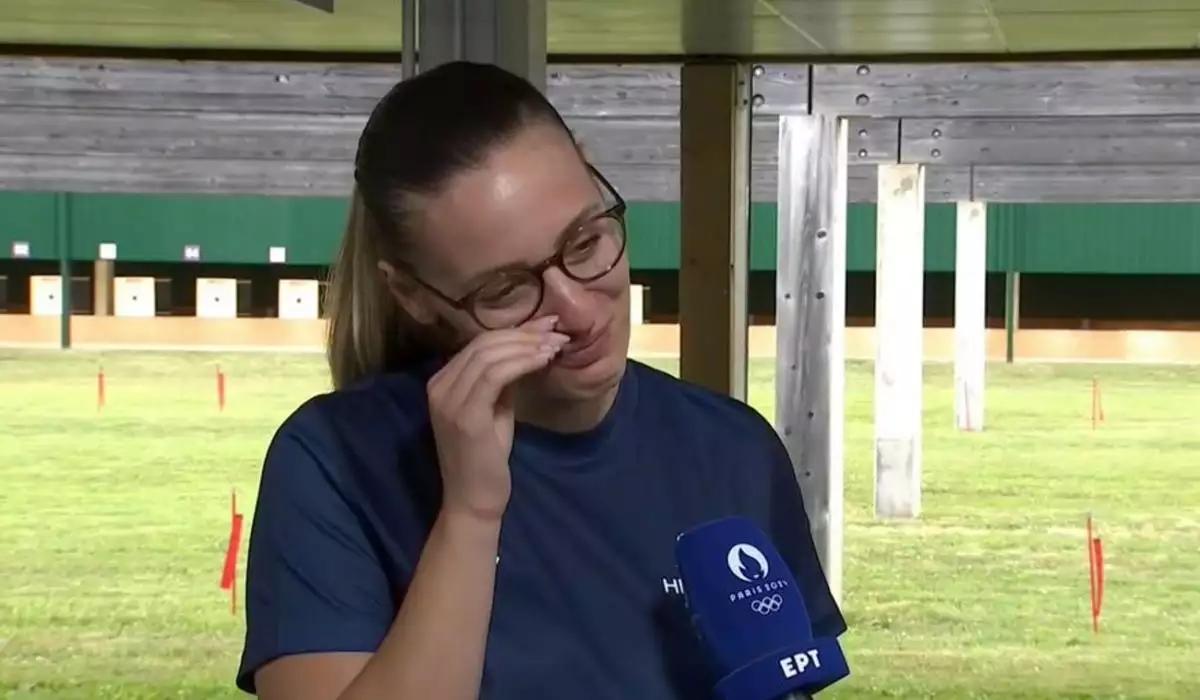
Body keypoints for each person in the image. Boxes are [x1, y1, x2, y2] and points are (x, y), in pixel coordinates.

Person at [235, 61, 846, 700]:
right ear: (413, 295)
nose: (578, 312)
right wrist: (471, 513)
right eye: (505, 290)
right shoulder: (335, 462)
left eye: (585, 242)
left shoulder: (733, 449)